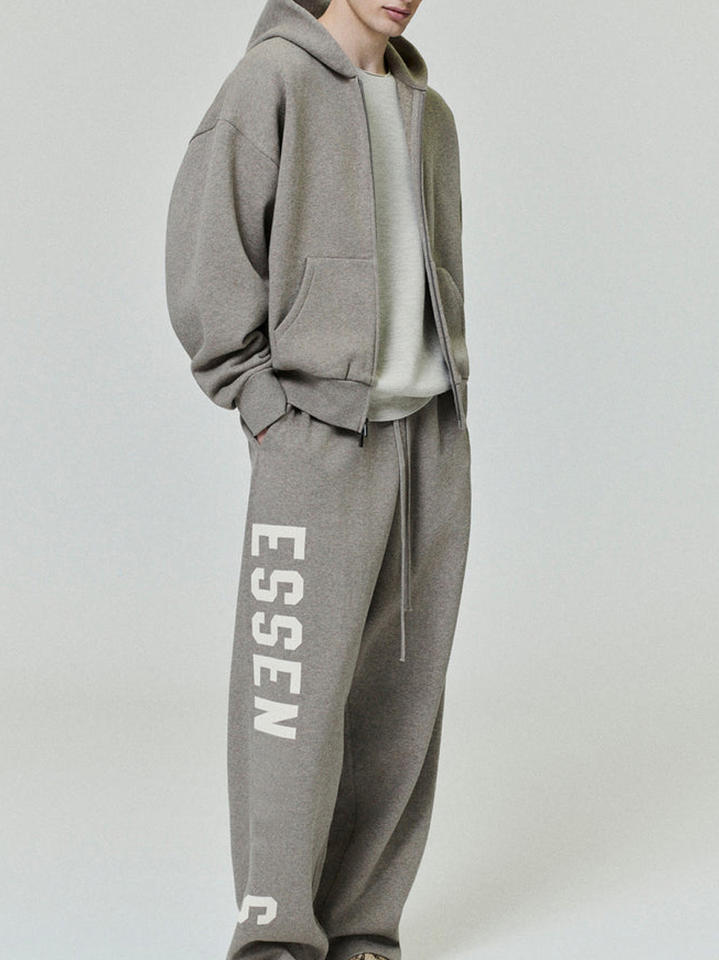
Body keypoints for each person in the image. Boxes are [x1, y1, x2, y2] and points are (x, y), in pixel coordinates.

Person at [164, 1, 471, 958]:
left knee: (399, 697)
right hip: (317, 436)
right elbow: (209, 255)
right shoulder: (272, 83)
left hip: (428, 438)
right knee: (289, 693)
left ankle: (363, 928)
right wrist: (261, 404)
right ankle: (275, 934)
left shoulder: (429, 115)